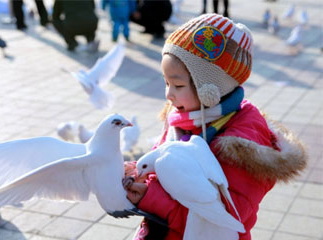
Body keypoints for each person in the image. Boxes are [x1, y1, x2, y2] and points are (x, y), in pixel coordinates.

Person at [123, 13, 307, 240]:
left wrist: (151, 198)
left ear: (210, 90)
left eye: (178, 85)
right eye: (166, 82)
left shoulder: (241, 144)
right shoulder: (183, 117)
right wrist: (138, 172)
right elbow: (165, 168)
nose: (168, 94)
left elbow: (225, 220)